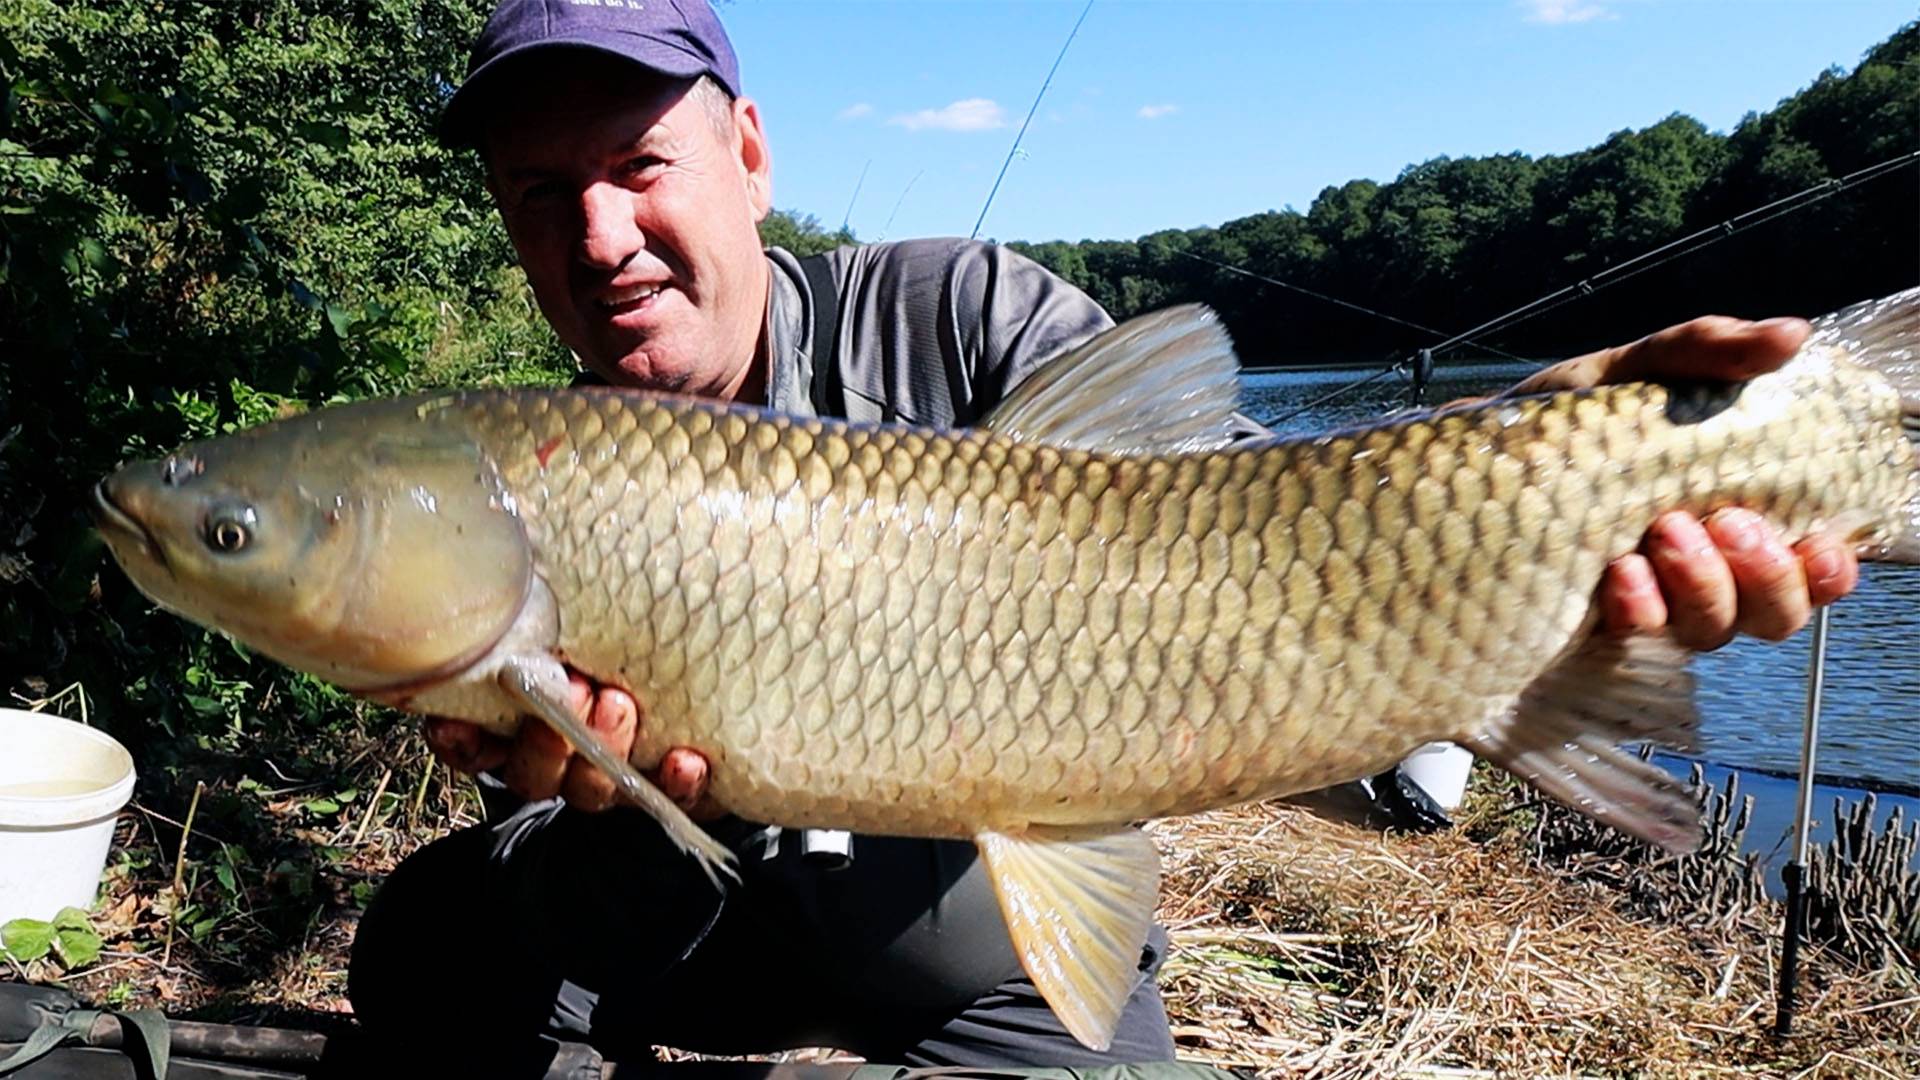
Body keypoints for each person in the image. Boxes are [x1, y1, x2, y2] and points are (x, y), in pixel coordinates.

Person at [347, 1, 1862, 1073]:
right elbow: (536, 820)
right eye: (543, 195)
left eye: (636, 165)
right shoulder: (531, 471)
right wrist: (557, 778)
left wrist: (1538, 485)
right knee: (415, 954)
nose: (598, 237)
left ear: (748, 151)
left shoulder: (966, 318)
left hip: (982, 961)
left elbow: (1298, 561)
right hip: (702, 937)